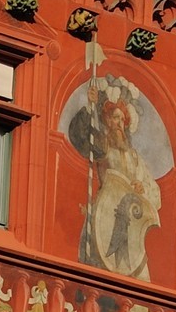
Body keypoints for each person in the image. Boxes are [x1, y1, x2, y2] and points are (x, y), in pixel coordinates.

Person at [69, 81, 161, 281]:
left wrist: (142, 188)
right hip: (105, 214)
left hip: (130, 223)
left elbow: (155, 192)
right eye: (114, 117)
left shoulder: (135, 157)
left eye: (122, 119)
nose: (118, 123)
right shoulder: (101, 145)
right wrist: (90, 106)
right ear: (106, 120)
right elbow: (78, 136)